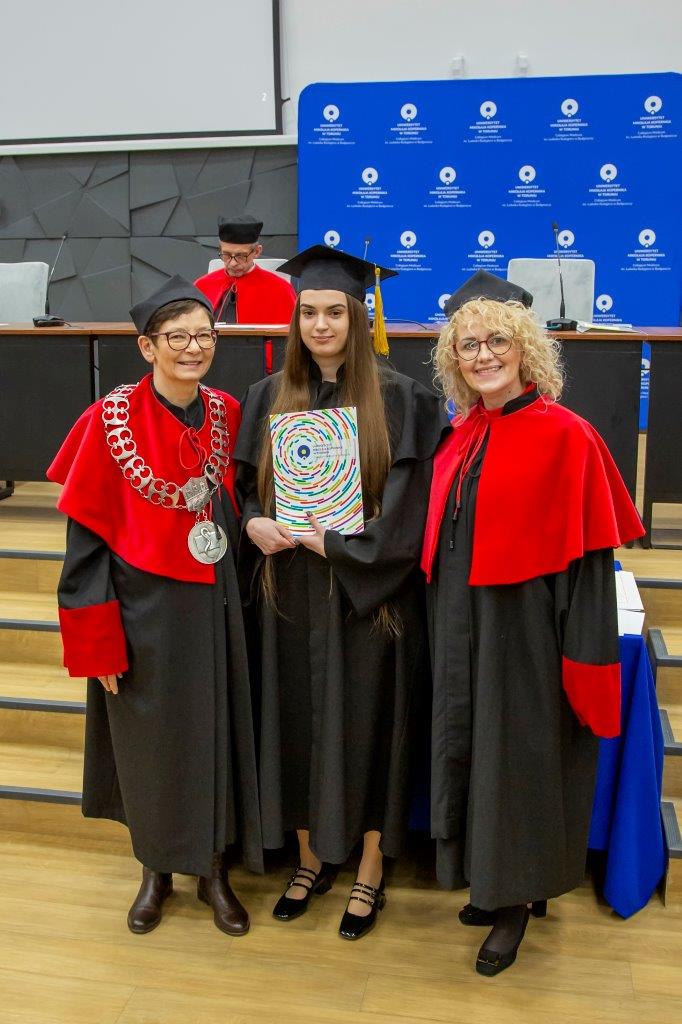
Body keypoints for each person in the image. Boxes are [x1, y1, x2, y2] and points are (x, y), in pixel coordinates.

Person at [422, 269, 644, 976]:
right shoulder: (463, 432)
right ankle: (491, 880)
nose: (483, 355)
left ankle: (517, 900)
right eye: (468, 345)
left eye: (498, 341)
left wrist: (579, 653)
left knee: (518, 760)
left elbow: (589, 567)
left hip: (528, 633)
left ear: (526, 348)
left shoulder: (567, 436)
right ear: (453, 359)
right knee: (473, 749)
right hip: (464, 622)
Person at [235, 245, 446, 940]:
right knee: (294, 720)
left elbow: (410, 515)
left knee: (370, 728)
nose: (320, 325)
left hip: (369, 600)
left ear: (358, 319)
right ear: (294, 320)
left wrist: (343, 547)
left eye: (334, 312)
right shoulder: (267, 397)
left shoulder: (404, 399)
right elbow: (244, 492)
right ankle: (308, 858)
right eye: (308, 313)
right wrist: (254, 522)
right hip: (290, 593)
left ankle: (370, 867)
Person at [47, 275, 262, 937]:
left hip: (217, 606)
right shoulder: (107, 422)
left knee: (217, 734)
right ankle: (154, 869)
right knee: (149, 744)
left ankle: (214, 869)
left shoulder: (228, 412)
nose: (193, 347)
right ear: (147, 346)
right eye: (177, 337)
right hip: (142, 611)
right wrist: (96, 644)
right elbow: (84, 548)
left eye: (204, 335)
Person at [195, 214, 297, 325]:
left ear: (257, 251)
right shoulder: (200, 287)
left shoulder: (281, 290)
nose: (233, 263)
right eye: (226, 254)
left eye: (241, 256)